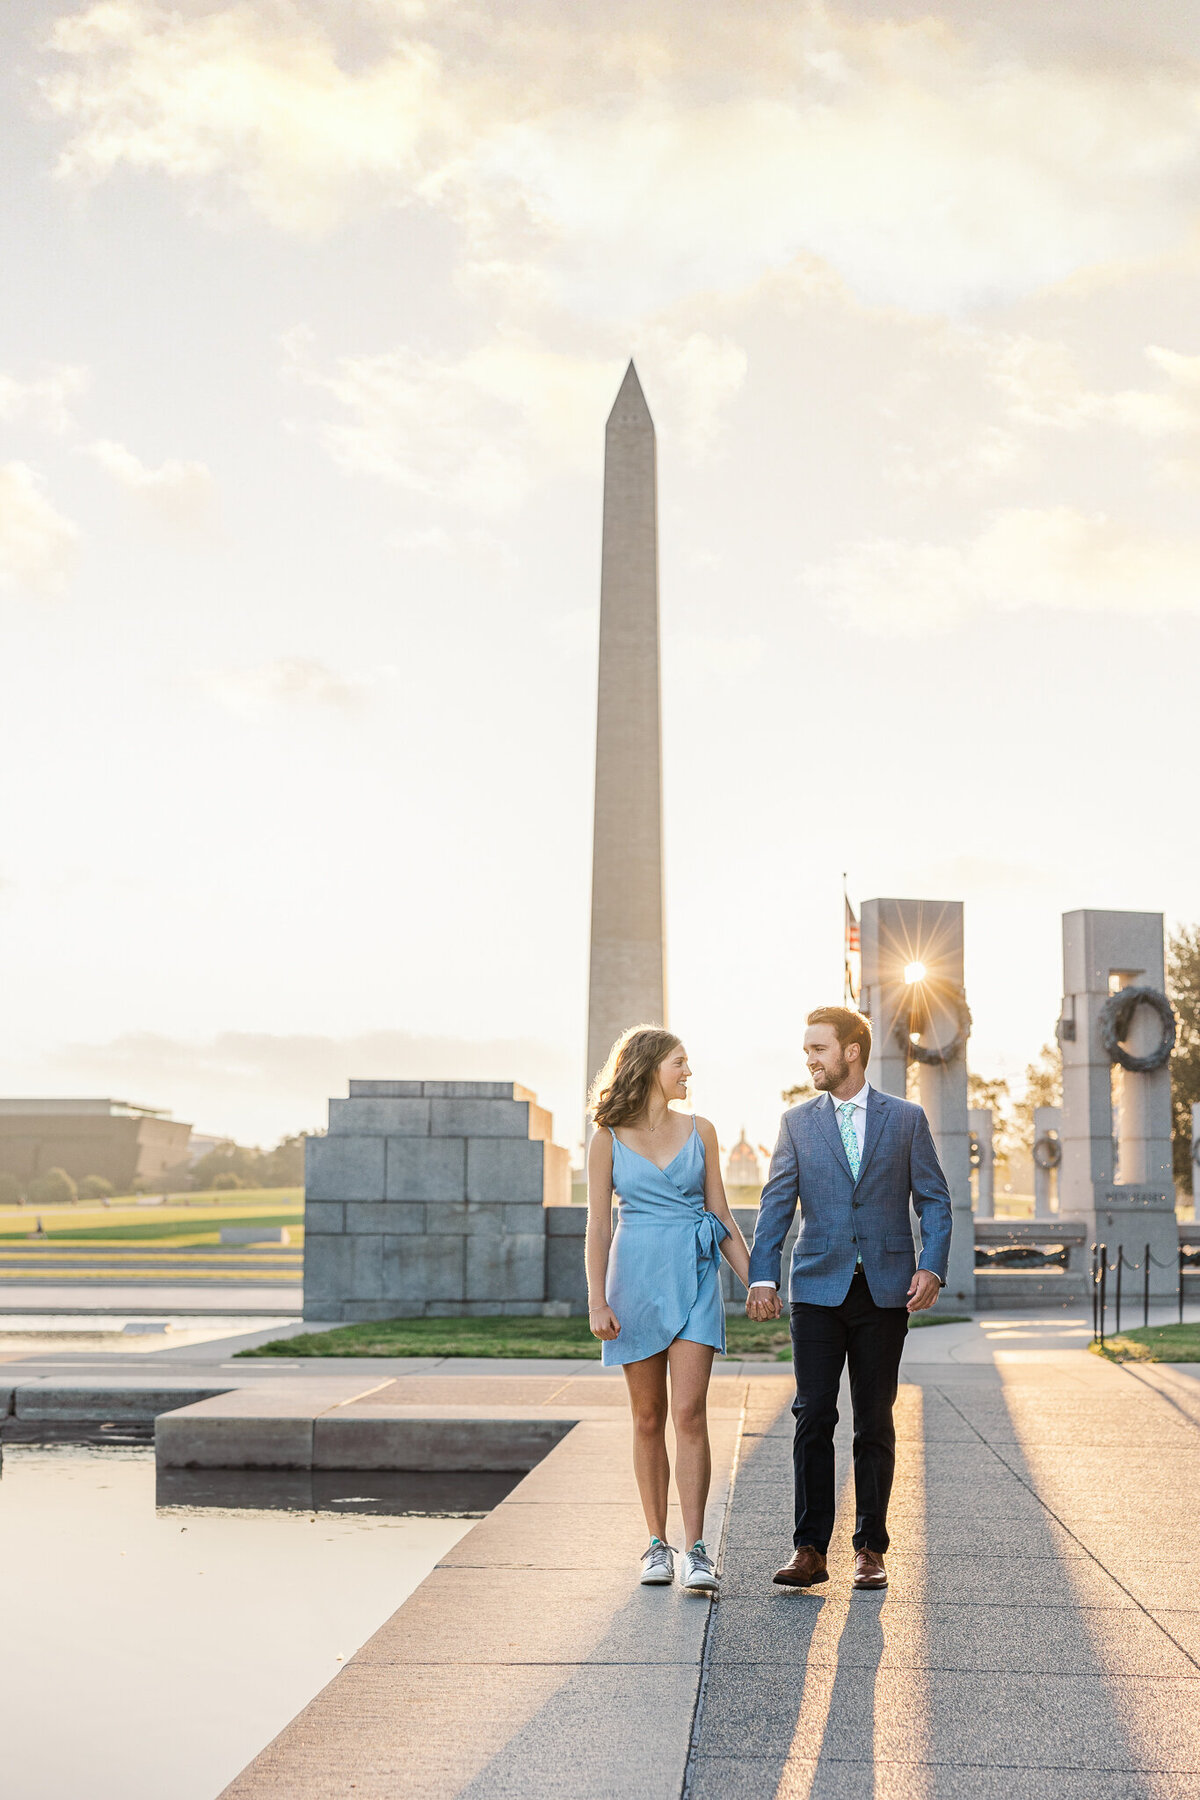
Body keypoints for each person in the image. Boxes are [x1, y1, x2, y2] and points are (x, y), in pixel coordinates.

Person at [747, 1005, 952, 1591]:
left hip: (885, 1291)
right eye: (807, 1050)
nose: (809, 1059)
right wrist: (765, 1275)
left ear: (852, 1051)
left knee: (873, 1420)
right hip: (817, 1286)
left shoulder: (906, 1119)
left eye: (818, 1049)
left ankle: (869, 1548)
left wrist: (931, 1267)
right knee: (813, 1413)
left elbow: (934, 1200)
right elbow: (776, 1206)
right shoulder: (796, 1123)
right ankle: (810, 1548)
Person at [586, 1025, 753, 1594]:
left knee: (689, 1414)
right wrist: (596, 1300)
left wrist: (757, 1283)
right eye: (680, 1063)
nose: (688, 1073)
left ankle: (697, 1549)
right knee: (647, 1416)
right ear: (650, 1065)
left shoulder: (702, 1130)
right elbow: (598, 1225)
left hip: (696, 1276)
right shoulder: (606, 1137)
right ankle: (656, 1545)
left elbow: (723, 1216)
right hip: (633, 1281)